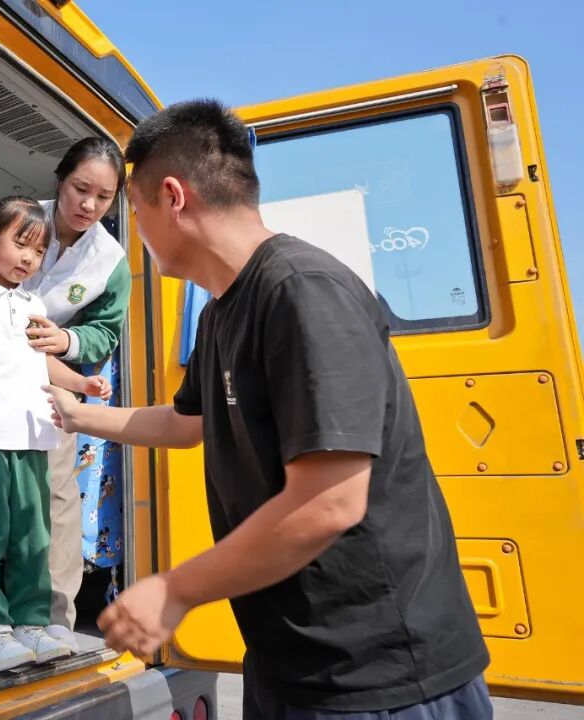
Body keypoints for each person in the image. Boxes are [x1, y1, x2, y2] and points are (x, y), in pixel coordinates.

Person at [44, 100, 493, 719]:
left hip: (380, 678)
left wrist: (174, 589)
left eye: (135, 210)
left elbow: (330, 501)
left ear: (173, 197)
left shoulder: (302, 290)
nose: (133, 231)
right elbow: (185, 423)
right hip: (289, 663)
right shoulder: (220, 313)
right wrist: (75, 414)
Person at [0, 138, 131, 651]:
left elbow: (104, 333)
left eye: (104, 197)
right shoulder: (19, 216)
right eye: (81, 188)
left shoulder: (111, 260)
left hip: (45, 377)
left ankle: (50, 616)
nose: (89, 204)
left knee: (49, 501)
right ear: (60, 180)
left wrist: (68, 344)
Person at [0, 195, 112, 672]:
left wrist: (81, 383)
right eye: (20, 243)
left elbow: (43, 360)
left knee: (33, 538)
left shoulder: (33, 303)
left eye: (38, 251)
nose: (28, 258)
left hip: (32, 435)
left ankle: (31, 623)